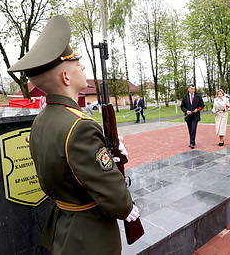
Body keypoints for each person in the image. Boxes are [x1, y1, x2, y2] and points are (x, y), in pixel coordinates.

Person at [7, 15, 138, 254]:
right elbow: (116, 199)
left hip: (64, 223)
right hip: (89, 234)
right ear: (66, 77)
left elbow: (67, 167)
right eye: (77, 63)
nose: (83, 67)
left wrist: (108, 153)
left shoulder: (42, 120)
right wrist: (127, 207)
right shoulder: (80, 126)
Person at [181, 84, 204, 149]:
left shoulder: (198, 96)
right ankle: (192, 141)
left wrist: (198, 109)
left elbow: (202, 105)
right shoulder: (185, 97)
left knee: (193, 129)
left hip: (195, 116)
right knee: (190, 129)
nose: (193, 90)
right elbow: (182, 106)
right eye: (191, 89)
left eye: (194, 89)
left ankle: (191, 143)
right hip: (188, 116)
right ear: (188, 89)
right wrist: (186, 111)